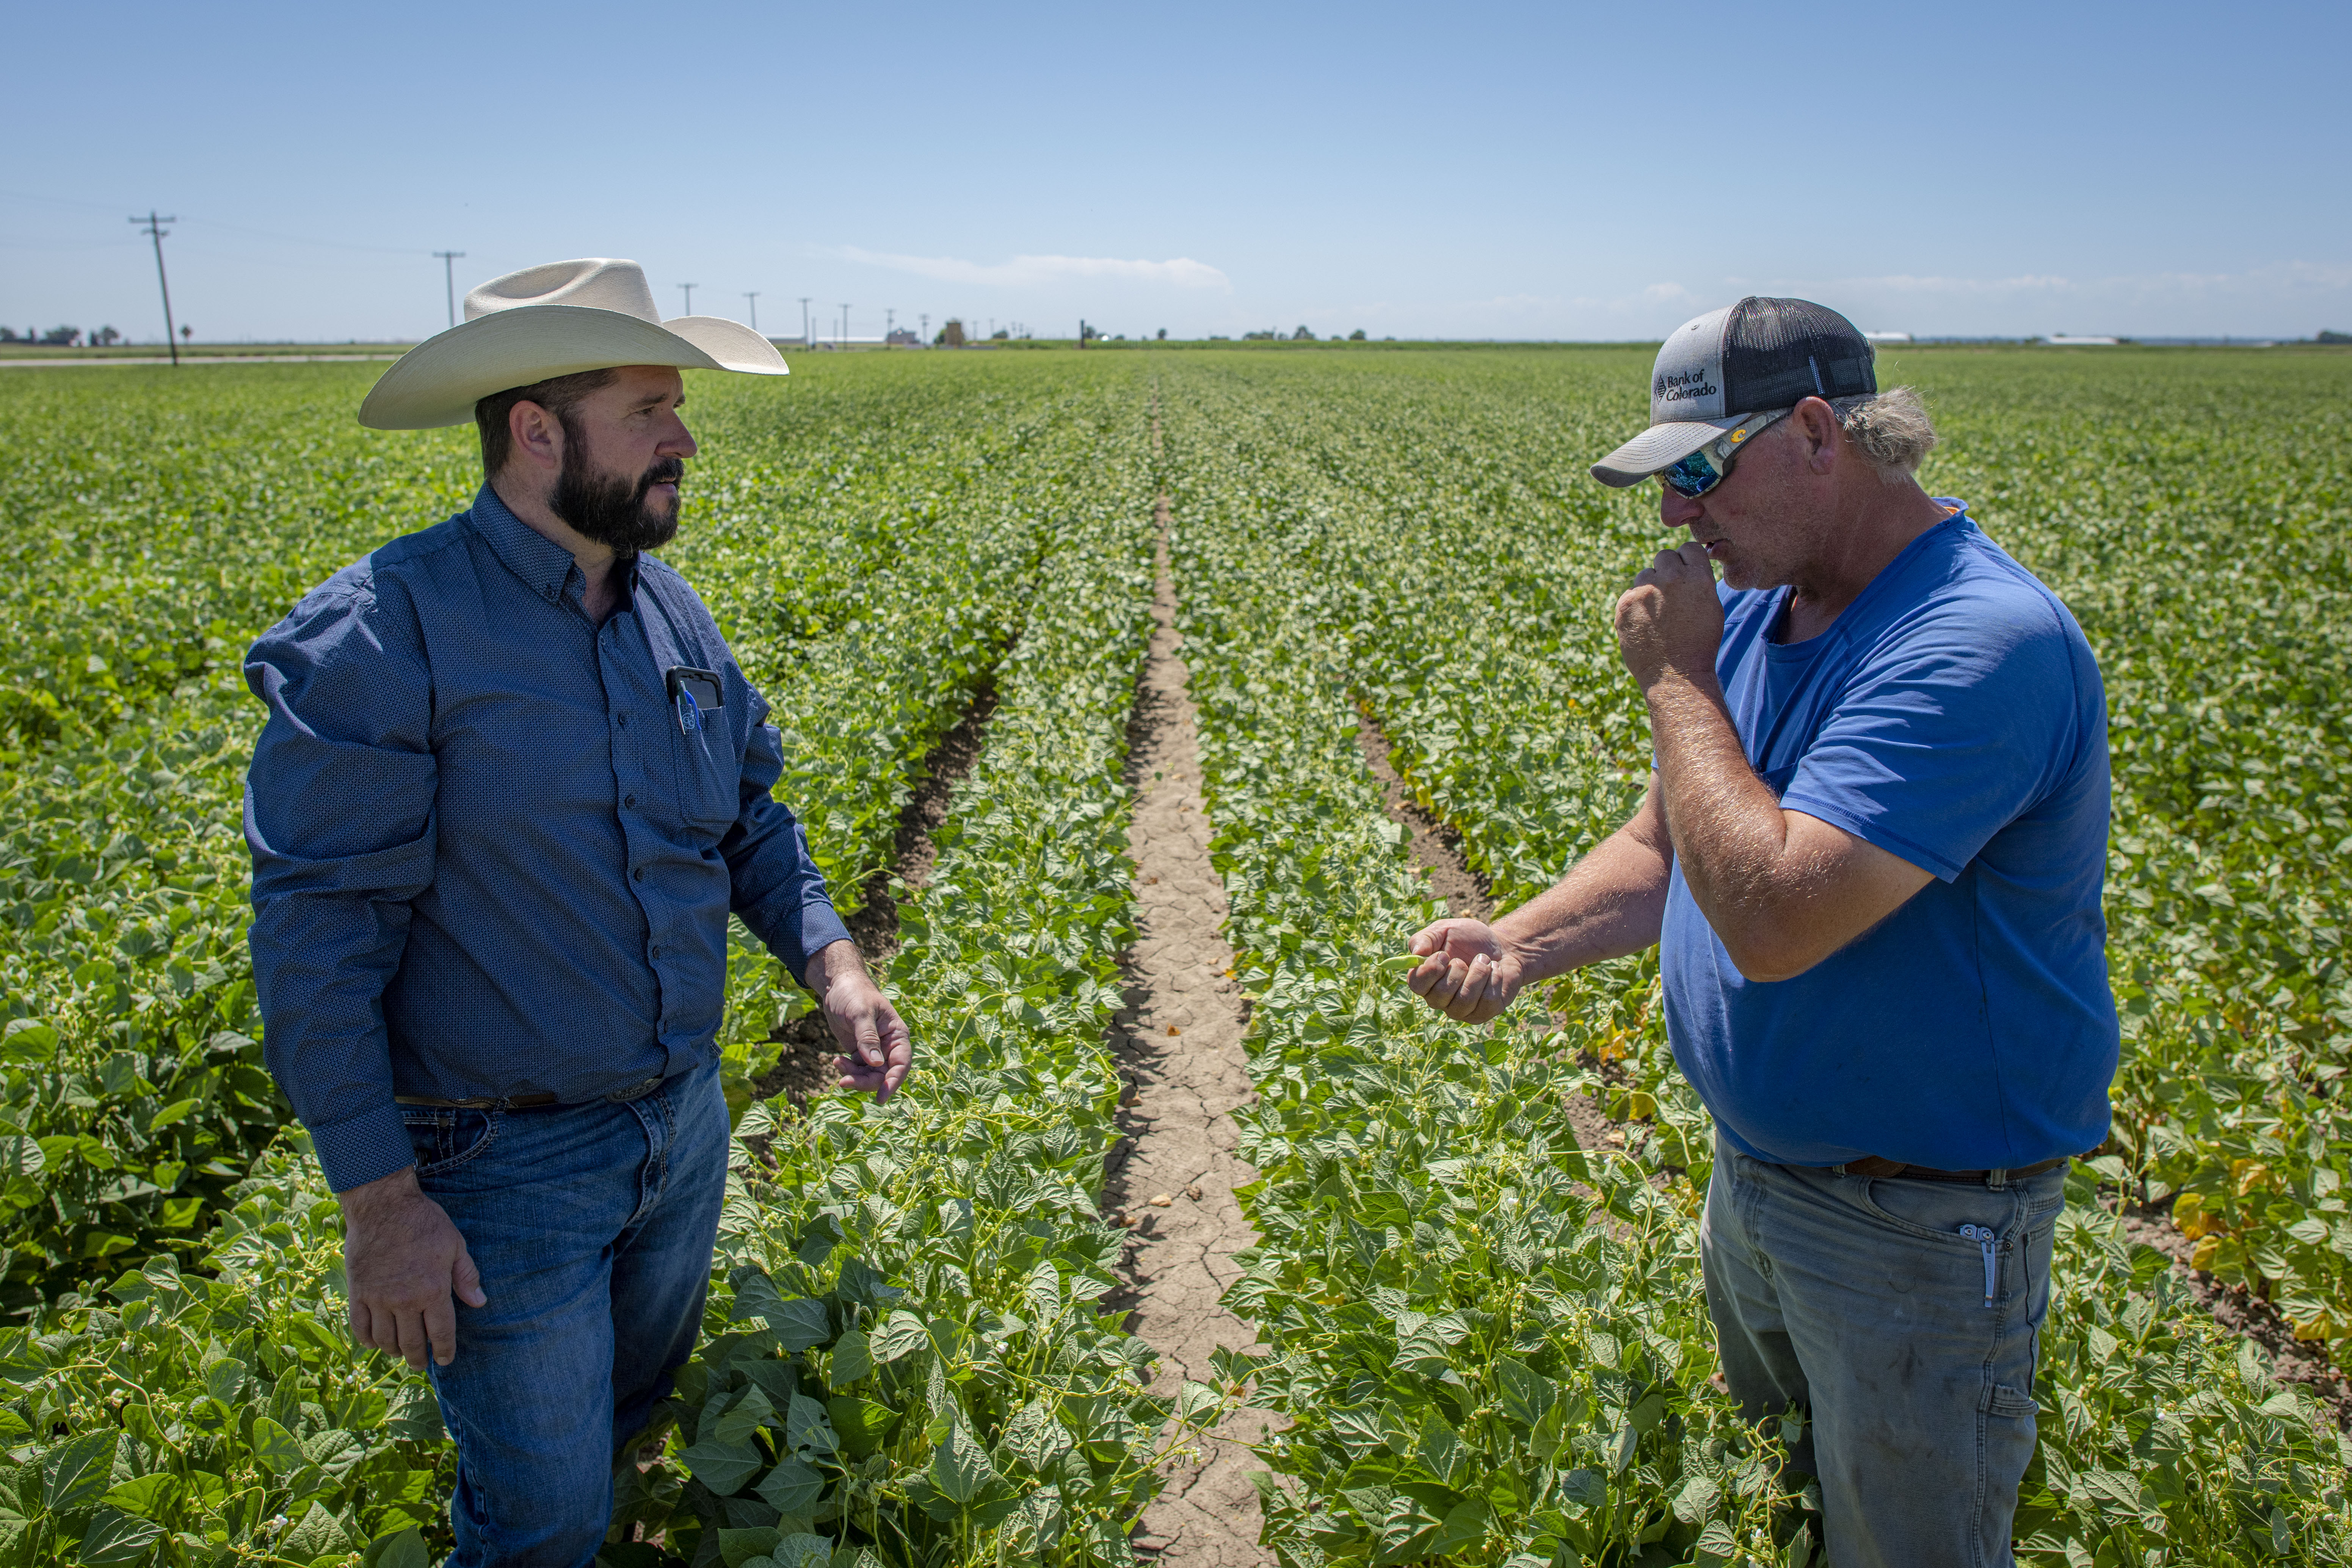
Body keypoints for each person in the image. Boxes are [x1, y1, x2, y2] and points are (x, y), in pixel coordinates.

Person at [1402, 297, 2116, 1566]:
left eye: (1694, 471)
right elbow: (1662, 848)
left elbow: (1776, 919)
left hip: (1917, 1231)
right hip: (1762, 1184)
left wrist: (1676, 680)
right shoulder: (1763, 609)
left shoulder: (1973, 644)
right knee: (1781, 1514)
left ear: (1810, 433)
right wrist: (1519, 943)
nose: (1675, 515)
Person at [244, 258, 914, 1567]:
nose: (683, 436)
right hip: (502, 1166)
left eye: (677, 406)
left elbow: (745, 824)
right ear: (536, 432)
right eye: (650, 408)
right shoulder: (388, 636)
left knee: (618, 1425)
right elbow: (318, 933)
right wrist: (381, 1206)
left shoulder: (669, 610)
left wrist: (834, 966)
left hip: (679, 1124)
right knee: (539, 1520)